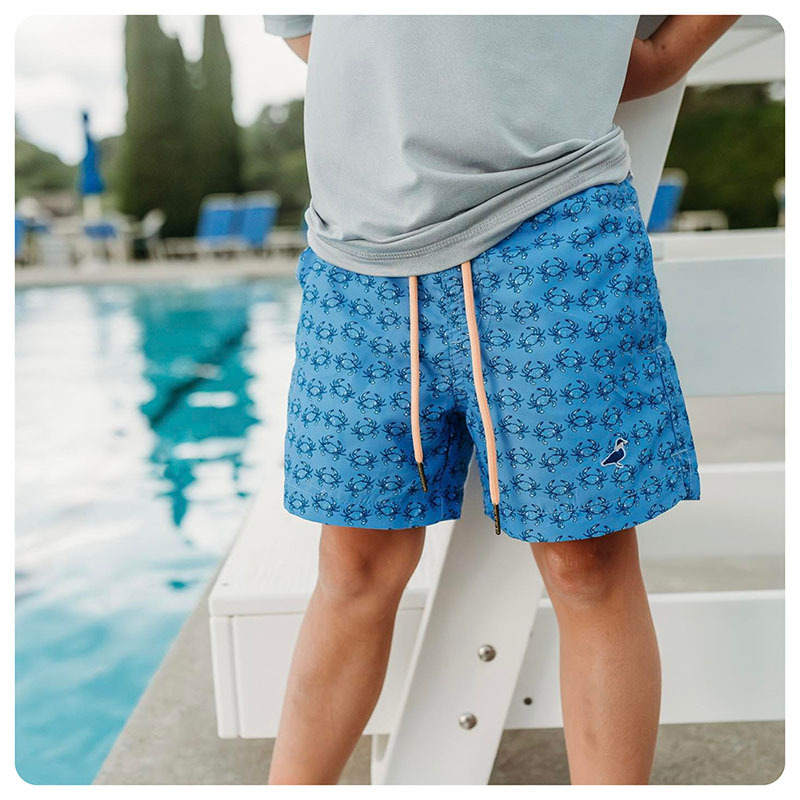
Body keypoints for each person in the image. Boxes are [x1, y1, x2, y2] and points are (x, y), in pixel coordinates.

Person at [263, 14, 739, 785]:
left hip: (554, 230)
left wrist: (657, 55)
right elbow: (311, 33)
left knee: (588, 563)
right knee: (352, 566)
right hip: (357, 259)